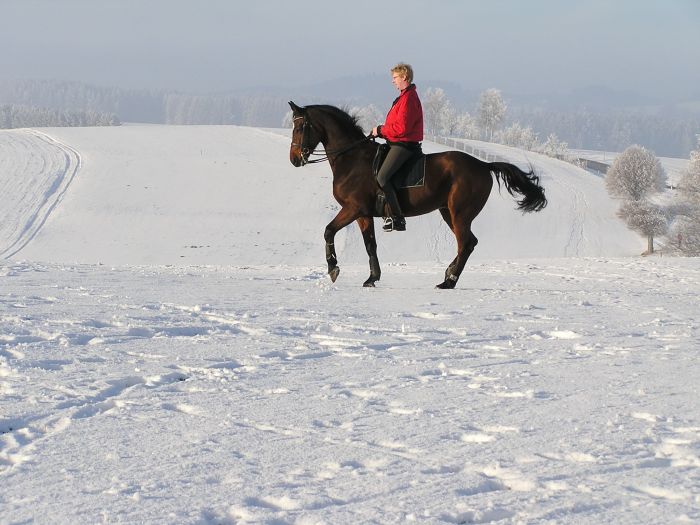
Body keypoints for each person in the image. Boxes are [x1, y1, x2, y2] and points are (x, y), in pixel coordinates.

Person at [370, 63, 424, 232]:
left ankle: (397, 217)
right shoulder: (403, 97)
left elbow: (402, 129)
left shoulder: (408, 99)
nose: (393, 81)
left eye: (395, 78)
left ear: (404, 77)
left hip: (404, 144)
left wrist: (380, 130)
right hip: (395, 141)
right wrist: (382, 131)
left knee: (383, 177)